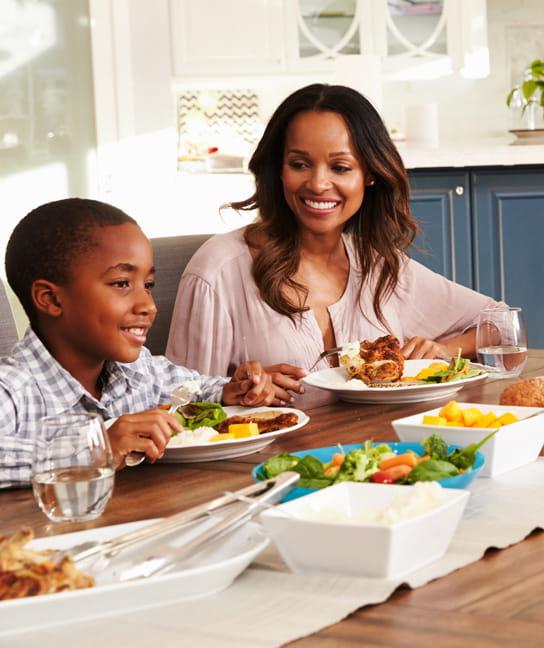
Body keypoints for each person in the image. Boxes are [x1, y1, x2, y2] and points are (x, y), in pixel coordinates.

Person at [166, 84, 499, 406]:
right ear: (278, 170)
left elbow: (498, 324)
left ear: (370, 174)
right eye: (299, 164)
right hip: (258, 463)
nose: (318, 183)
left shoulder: (377, 264)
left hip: (377, 455)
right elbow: (176, 400)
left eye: (340, 167)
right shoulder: (217, 271)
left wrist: (442, 350)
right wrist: (234, 390)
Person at [0, 199, 287, 488]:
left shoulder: (138, 370)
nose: (148, 305)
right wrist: (97, 449)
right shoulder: (12, 388)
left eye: (148, 285)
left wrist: (234, 390)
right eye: (122, 283)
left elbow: (195, 390)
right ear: (50, 299)